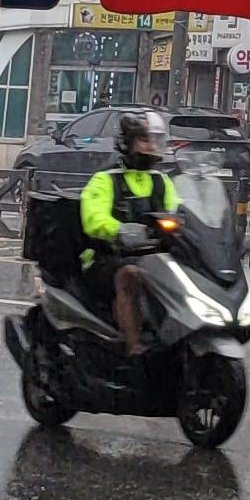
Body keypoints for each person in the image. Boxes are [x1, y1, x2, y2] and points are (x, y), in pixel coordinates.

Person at [79, 114, 178, 357]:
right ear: (127, 143)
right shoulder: (105, 179)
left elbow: (179, 212)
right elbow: (93, 218)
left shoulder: (162, 181)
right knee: (130, 275)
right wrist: (120, 230)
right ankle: (134, 347)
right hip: (108, 256)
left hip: (155, 258)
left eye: (155, 141)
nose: (151, 146)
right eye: (144, 140)